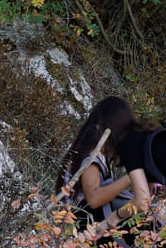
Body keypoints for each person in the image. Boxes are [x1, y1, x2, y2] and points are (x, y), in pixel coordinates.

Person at [59, 95, 158, 234]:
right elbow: (94, 199)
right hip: (88, 229)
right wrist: (132, 177)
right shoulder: (91, 158)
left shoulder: (89, 154)